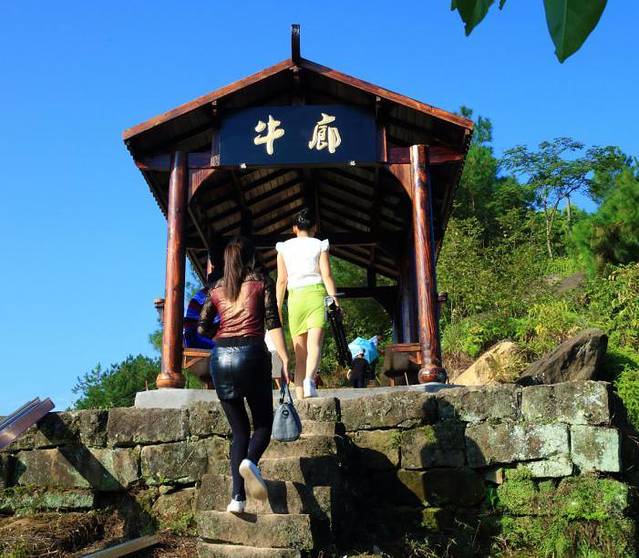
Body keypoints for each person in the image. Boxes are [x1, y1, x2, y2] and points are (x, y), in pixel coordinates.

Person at [198, 237, 289, 514]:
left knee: (239, 432)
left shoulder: (215, 287)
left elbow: (202, 328)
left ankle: (237, 499)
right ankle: (250, 461)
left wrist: (222, 337)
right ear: (250, 257)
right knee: (262, 425)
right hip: (252, 355)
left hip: (221, 360)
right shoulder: (261, 280)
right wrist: (285, 359)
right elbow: (272, 322)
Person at [275, 208, 339, 398]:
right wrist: (334, 298)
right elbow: (326, 275)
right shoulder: (320, 245)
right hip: (316, 295)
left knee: (300, 354)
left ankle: (300, 398)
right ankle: (310, 380)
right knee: (314, 346)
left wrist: (277, 307)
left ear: (294, 228)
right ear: (315, 228)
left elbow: (281, 281)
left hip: (295, 299)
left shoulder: (284, 248)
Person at [183, 273, 218, 350]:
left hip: (191, 337)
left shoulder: (202, 294)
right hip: (195, 338)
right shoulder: (209, 295)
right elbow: (201, 329)